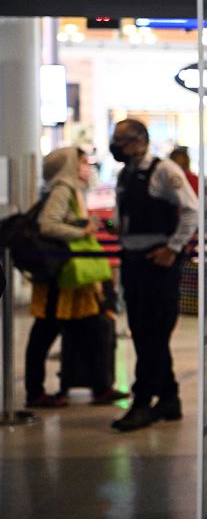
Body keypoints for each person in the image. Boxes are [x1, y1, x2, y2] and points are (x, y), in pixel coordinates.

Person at [108, 118, 199, 432]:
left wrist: (173, 248)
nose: (116, 145)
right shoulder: (125, 175)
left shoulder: (164, 171)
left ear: (139, 140)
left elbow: (192, 210)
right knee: (143, 331)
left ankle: (142, 402)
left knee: (154, 333)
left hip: (157, 263)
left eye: (121, 139)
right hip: (133, 261)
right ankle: (170, 398)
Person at [23, 147, 125, 407]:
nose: (86, 166)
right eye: (81, 161)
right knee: (46, 331)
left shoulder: (73, 189)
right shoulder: (63, 188)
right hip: (61, 275)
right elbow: (48, 224)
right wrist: (82, 231)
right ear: (69, 164)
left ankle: (100, 386)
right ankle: (35, 392)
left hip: (75, 276)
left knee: (91, 325)